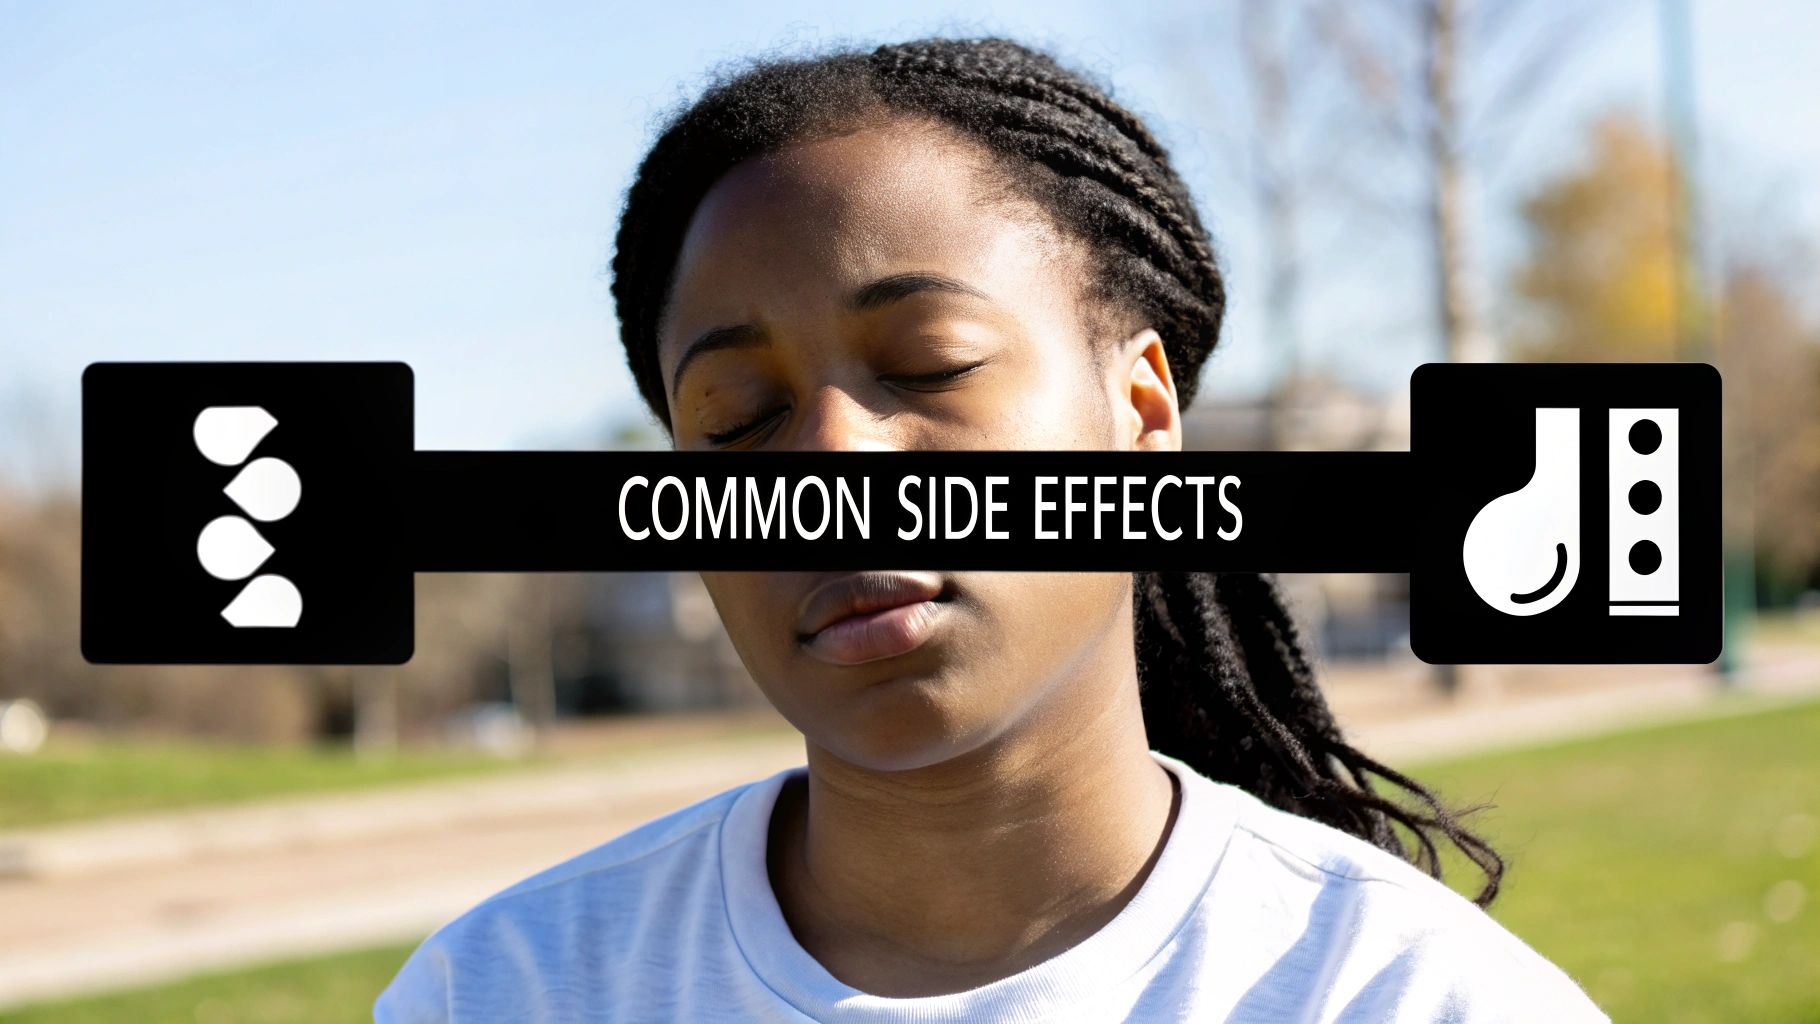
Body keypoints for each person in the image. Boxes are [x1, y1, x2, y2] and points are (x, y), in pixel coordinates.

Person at [376, 36, 1606, 1023]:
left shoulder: (1407, 995)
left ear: (1140, 416)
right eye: (737, 417)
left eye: (928, 363)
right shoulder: (497, 991)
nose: (829, 465)